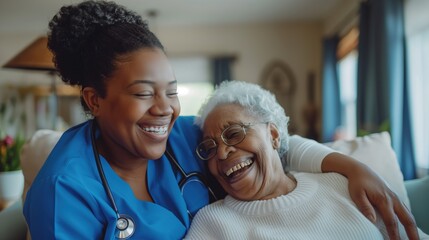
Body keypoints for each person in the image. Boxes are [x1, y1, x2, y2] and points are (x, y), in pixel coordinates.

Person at [23, 1, 418, 239]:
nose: (165, 108)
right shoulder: (64, 193)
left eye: (172, 91)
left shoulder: (184, 135)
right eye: (144, 93)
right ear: (94, 99)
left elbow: (269, 142)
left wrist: (350, 166)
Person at [186, 80, 425, 240]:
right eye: (210, 146)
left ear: (273, 135)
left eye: (234, 133)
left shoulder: (344, 185)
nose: (222, 153)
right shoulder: (213, 224)